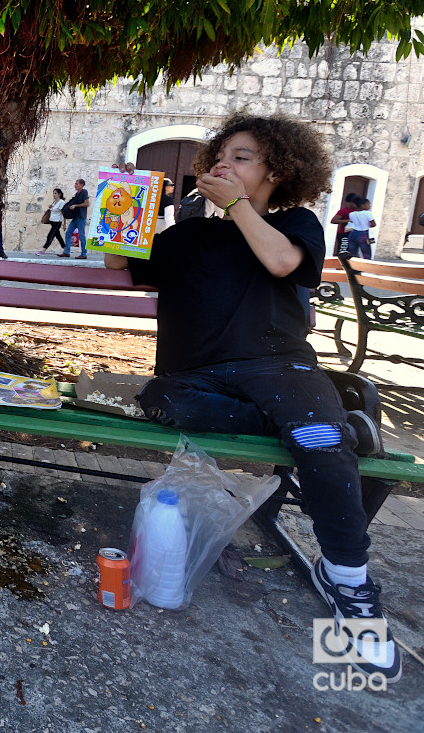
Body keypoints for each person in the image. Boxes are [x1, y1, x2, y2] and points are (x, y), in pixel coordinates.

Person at [103, 114, 400, 682]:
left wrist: (239, 206)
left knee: (315, 437)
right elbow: (121, 263)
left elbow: (285, 264)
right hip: (195, 375)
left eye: (242, 158)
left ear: (276, 170)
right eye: (222, 155)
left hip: (278, 365)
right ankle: (341, 427)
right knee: (168, 404)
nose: (225, 164)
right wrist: (119, 209)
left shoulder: (297, 224)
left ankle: (346, 577)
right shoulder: (189, 234)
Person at [60, 178, 90, 259]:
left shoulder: (84, 192)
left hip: (81, 217)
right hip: (75, 217)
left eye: (77, 184)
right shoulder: (77, 194)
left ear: (81, 185)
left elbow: (87, 203)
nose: (75, 185)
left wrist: (76, 205)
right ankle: (67, 252)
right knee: (68, 233)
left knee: (81, 236)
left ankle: (84, 254)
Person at [37, 188, 66, 254]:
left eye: (55, 193)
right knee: (58, 236)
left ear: (59, 194)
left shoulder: (61, 202)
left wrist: (64, 224)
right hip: (52, 221)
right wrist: (51, 207)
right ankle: (65, 249)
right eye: (53, 193)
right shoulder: (54, 201)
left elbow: (63, 213)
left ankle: (43, 250)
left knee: (50, 235)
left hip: (57, 221)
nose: (54, 194)